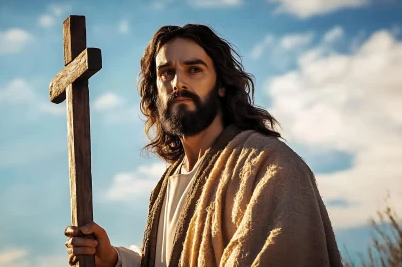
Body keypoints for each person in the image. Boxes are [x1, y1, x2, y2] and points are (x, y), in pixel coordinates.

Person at [64, 24, 343, 267]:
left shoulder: (267, 165)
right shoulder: (167, 184)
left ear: (221, 84)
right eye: (166, 72)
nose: (178, 82)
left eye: (194, 69)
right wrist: (113, 259)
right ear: (155, 89)